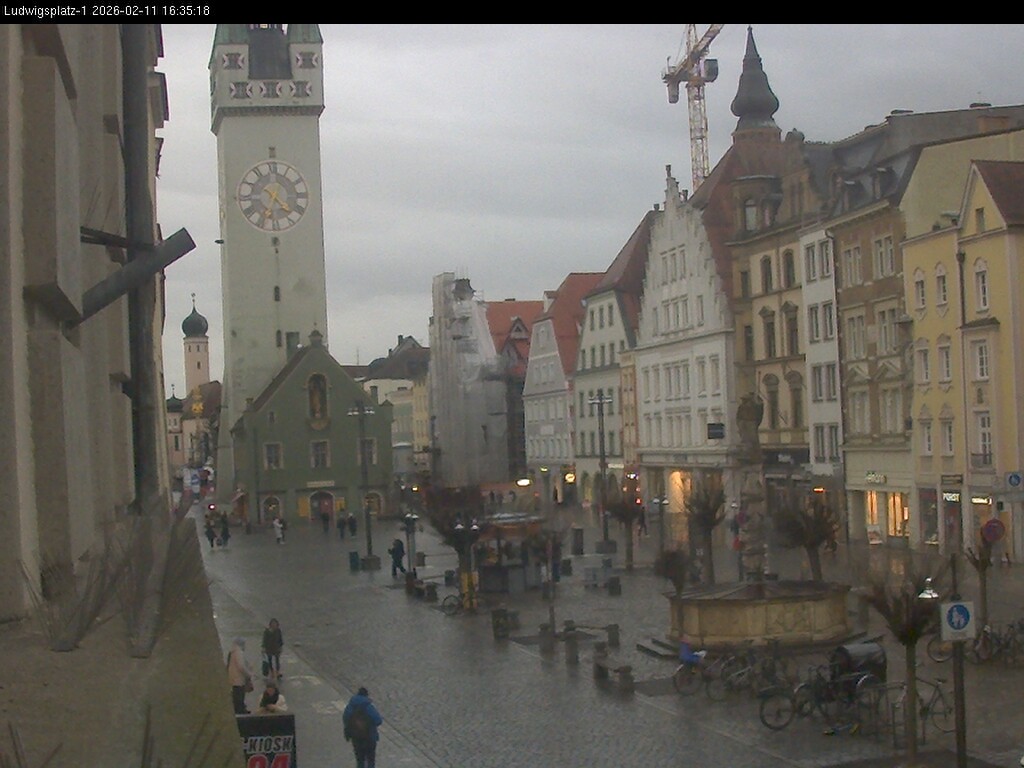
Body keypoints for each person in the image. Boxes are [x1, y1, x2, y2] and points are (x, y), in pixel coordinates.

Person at [343, 686, 383, 768]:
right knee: (370, 759)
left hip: (356, 737)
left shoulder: (350, 706)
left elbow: (345, 719)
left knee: (360, 760)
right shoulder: (368, 706)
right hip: (369, 736)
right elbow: (378, 720)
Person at [226, 637, 253, 714]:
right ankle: (240, 711)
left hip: (233, 678)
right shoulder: (239, 652)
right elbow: (241, 666)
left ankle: (239, 709)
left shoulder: (232, 652)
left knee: (236, 694)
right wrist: (248, 674)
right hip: (239, 678)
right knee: (240, 695)